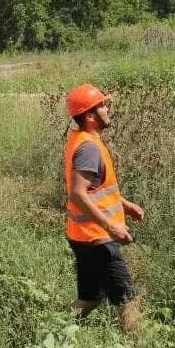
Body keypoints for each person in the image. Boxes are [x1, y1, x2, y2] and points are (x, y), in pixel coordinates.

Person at [63, 83, 144, 331]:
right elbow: (78, 194)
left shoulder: (84, 140)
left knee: (89, 298)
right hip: (97, 238)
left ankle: (56, 332)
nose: (108, 109)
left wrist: (124, 204)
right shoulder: (88, 148)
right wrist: (112, 228)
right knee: (128, 299)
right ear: (90, 116)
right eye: (102, 106)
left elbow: (94, 190)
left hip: (83, 237)